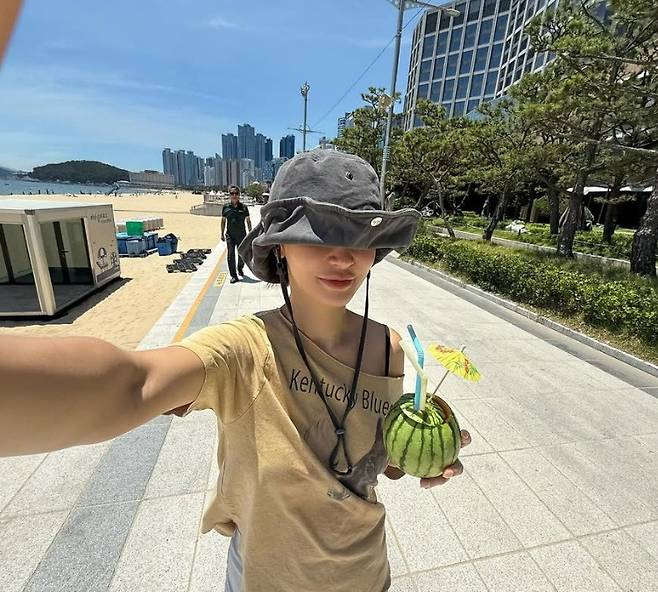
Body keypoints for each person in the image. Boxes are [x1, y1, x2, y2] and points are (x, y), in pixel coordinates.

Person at [0, 151, 470, 592]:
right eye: (321, 234)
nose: (344, 257)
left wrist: (424, 452)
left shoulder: (390, 348)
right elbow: (131, 383)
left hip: (367, 573)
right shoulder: (243, 349)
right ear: (280, 247)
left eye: (360, 237)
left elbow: (376, 464)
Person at [221, 185, 252, 283]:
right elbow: (223, 221)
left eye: (236, 193)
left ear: (239, 195)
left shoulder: (244, 207)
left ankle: (240, 267)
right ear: (229, 195)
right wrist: (222, 233)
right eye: (232, 193)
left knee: (242, 254)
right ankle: (234, 276)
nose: (234, 195)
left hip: (242, 235)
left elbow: (248, 221)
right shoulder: (226, 207)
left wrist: (250, 233)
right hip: (230, 235)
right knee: (230, 255)